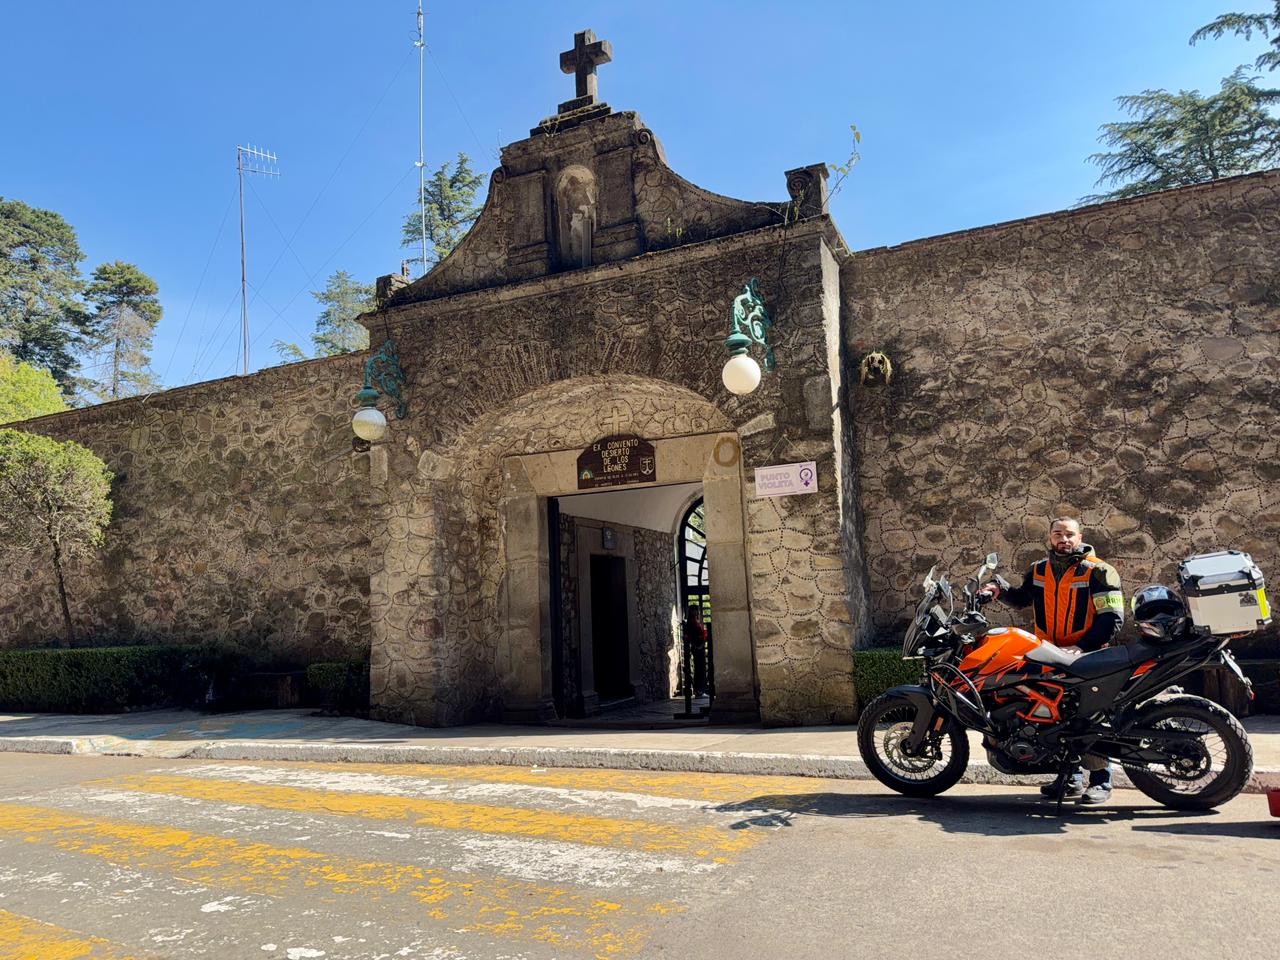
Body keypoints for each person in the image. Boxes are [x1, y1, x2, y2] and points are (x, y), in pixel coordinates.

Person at [981, 516, 1125, 805]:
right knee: (1054, 718)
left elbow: (1112, 619)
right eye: (1058, 534)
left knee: (1088, 717)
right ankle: (1069, 777)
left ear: (1080, 536)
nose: (1064, 539)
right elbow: (1022, 599)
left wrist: (1081, 647)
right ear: (1050, 538)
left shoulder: (1099, 572)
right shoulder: (1039, 570)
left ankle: (1101, 779)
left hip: (1087, 656)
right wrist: (1000, 591)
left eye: (1069, 534)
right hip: (1048, 654)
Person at [682, 606, 709, 697]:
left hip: (699, 647)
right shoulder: (691, 623)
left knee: (700, 668)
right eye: (695, 610)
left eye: (697, 610)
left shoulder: (695, 621)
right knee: (699, 668)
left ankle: (700, 690)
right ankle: (699, 690)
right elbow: (692, 636)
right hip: (697, 647)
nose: (696, 612)